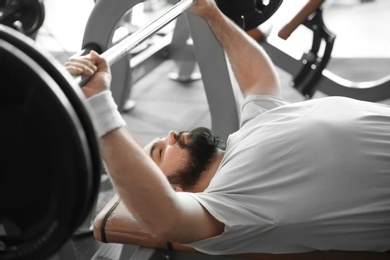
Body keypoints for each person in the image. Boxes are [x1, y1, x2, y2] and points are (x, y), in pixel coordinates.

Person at [65, 0, 390, 255]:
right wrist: (97, 103)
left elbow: (259, 81)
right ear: (175, 190)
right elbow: (165, 217)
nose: (173, 134)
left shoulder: (248, 132)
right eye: (162, 151)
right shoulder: (227, 206)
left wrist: (211, 12)